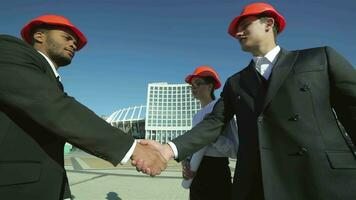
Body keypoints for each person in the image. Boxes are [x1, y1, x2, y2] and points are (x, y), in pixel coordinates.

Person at [137, 2, 356, 200]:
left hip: (321, 179)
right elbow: (215, 122)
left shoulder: (320, 59)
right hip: (260, 185)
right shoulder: (237, 82)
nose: (237, 33)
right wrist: (168, 149)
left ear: (268, 23)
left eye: (243, 25)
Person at [0, 14, 166, 200]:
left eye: (76, 44)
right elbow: (56, 109)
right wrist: (132, 147)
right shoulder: (9, 50)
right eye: (67, 38)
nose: (73, 45)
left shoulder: (52, 81)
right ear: (40, 36)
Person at [181, 66, 238, 200]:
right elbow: (193, 145)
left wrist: (212, 137)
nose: (193, 87)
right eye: (192, 85)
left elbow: (235, 151)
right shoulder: (196, 116)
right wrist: (186, 162)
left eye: (198, 83)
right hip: (196, 174)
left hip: (216, 173)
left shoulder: (223, 109)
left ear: (210, 86)